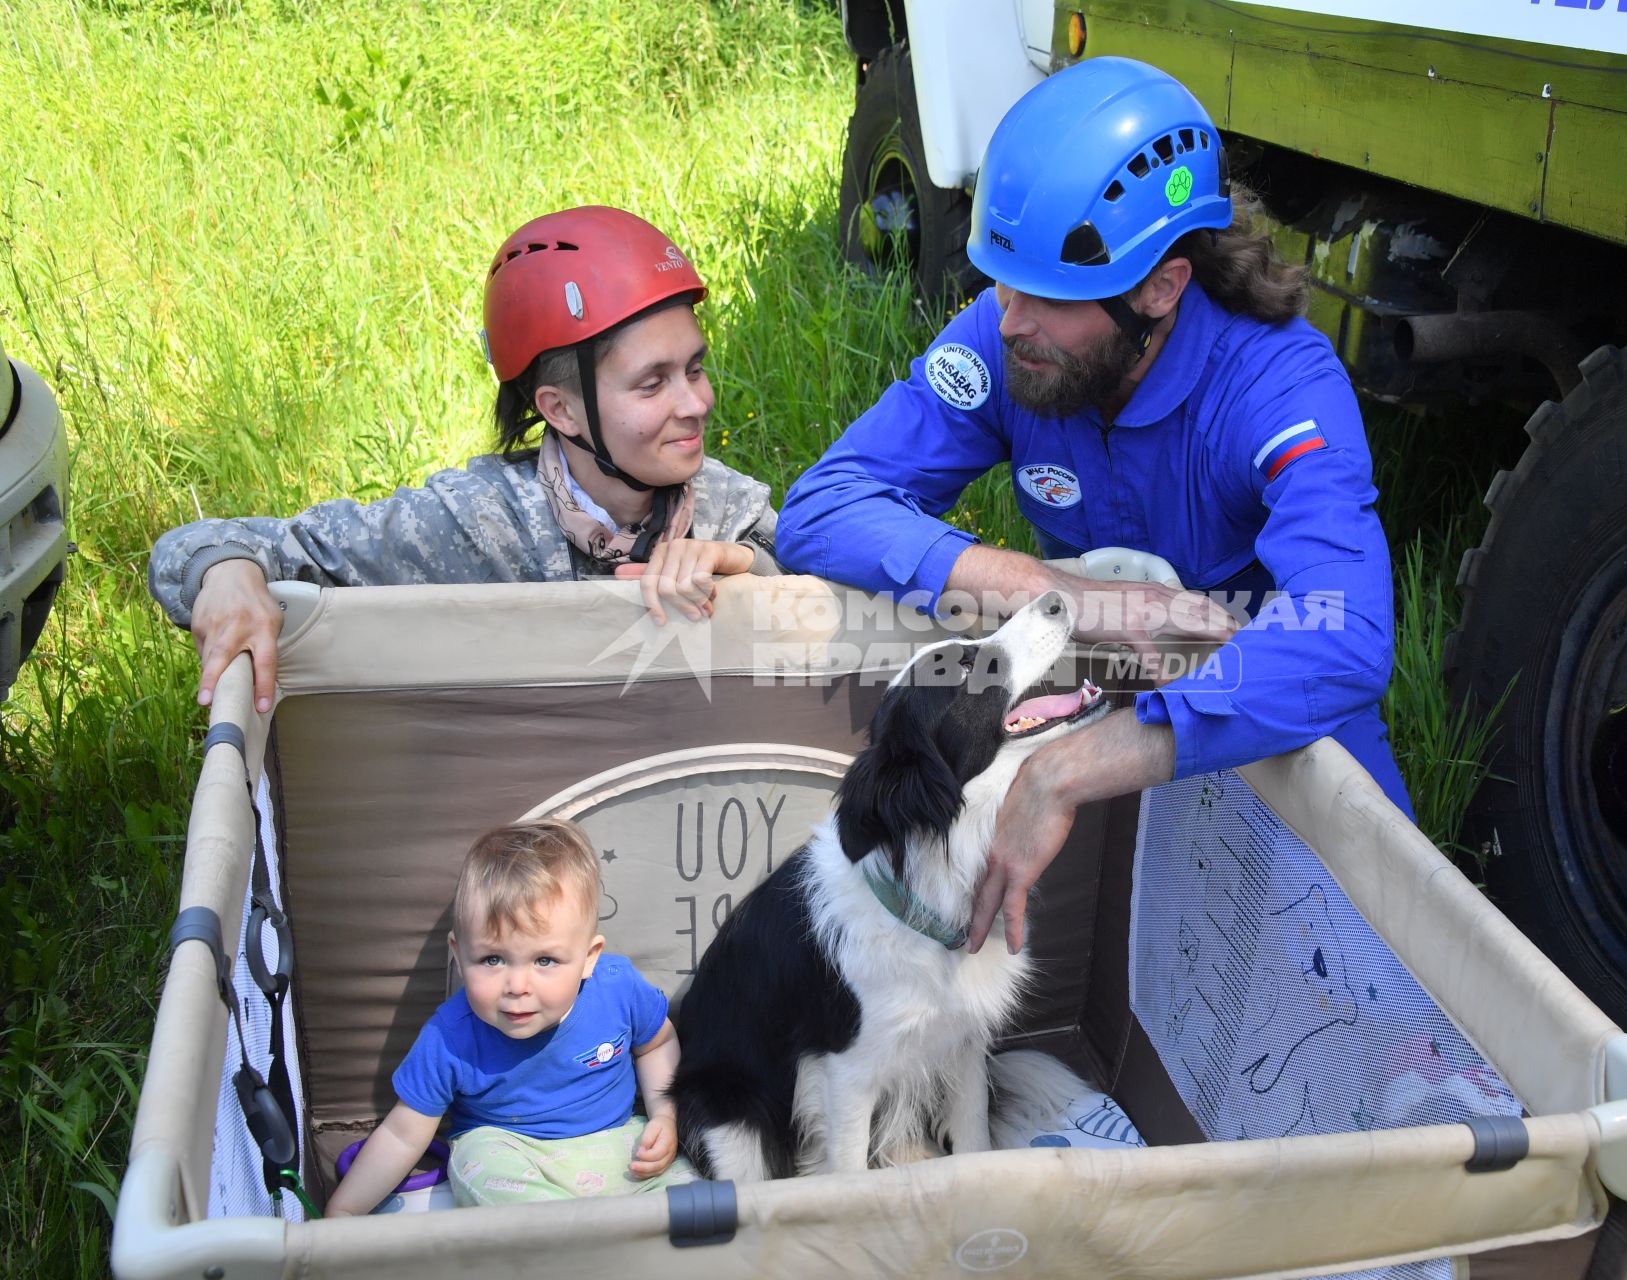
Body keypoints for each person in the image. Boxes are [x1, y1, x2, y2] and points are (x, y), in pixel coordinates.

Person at [776, 58, 1413, 955]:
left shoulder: (1278, 384)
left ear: (1161, 288)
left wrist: (1073, 769)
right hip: (1092, 706)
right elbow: (824, 506)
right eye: (1002, 282)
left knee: (1376, 966)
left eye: (1047, 296)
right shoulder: (1013, 341)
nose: (1006, 323)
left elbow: (1343, 637)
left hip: (1273, 723)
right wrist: (1050, 593)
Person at [148, 206, 781, 715]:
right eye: (653, 383)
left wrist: (748, 565)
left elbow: (832, 587)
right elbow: (207, 543)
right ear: (560, 410)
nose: (697, 402)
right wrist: (227, 573)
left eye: (695, 368)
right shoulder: (472, 525)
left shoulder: (724, 506)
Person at [325, 818, 692, 1213]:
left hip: (617, 1145)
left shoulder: (617, 988)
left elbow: (657, 1043)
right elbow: (403, 1135)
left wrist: (665, 1117)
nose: (517, 985)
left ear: (588, 958)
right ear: (459, 954)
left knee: (700, 1186)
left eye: (545, 960)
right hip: (512, 1156)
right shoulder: (451, 1036)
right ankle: (573, 1243)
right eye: (492, 959)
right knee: (480, 1166)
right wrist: (343, 1212)